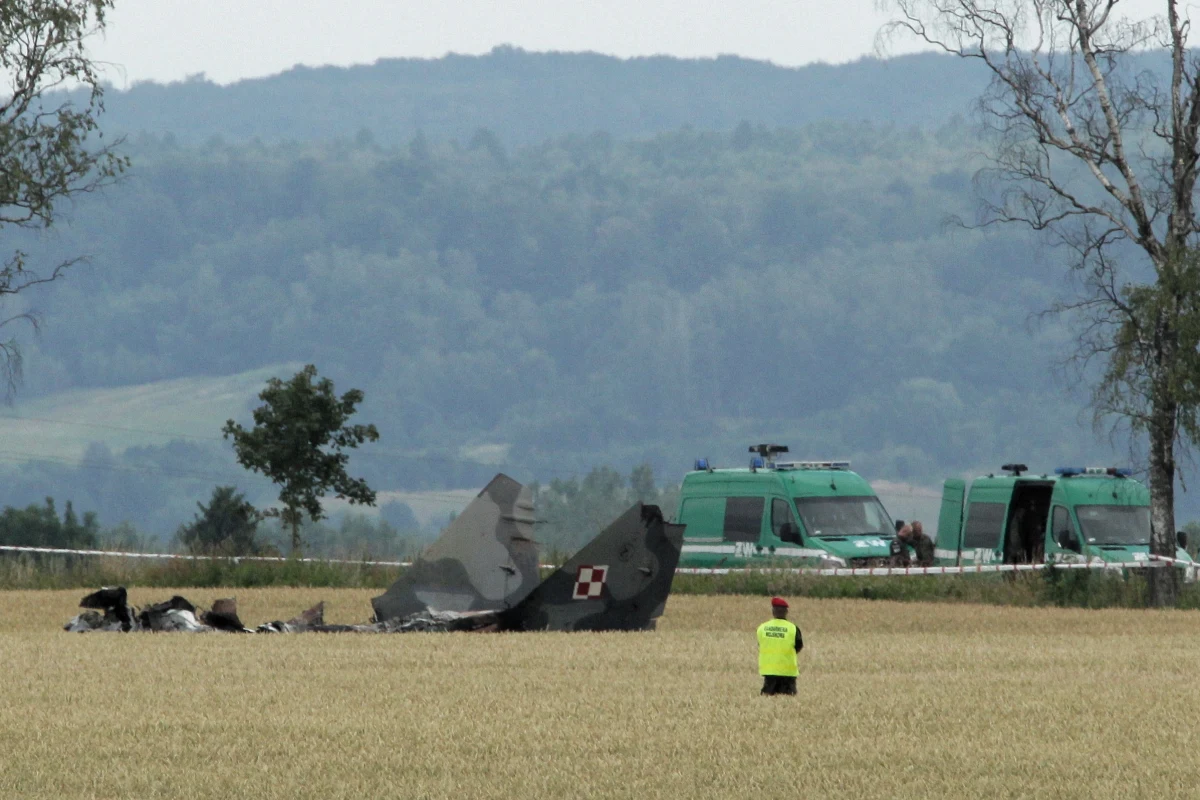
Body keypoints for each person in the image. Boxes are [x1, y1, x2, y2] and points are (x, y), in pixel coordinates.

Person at [757, 596, 802, 695]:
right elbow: (798, 646)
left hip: (769, 671)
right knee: (788, 701)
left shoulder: (762, 628)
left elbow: (761, 644)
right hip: (788, 671)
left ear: (773, 611)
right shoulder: (793, 628)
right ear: (786, 611)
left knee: (767, 699)